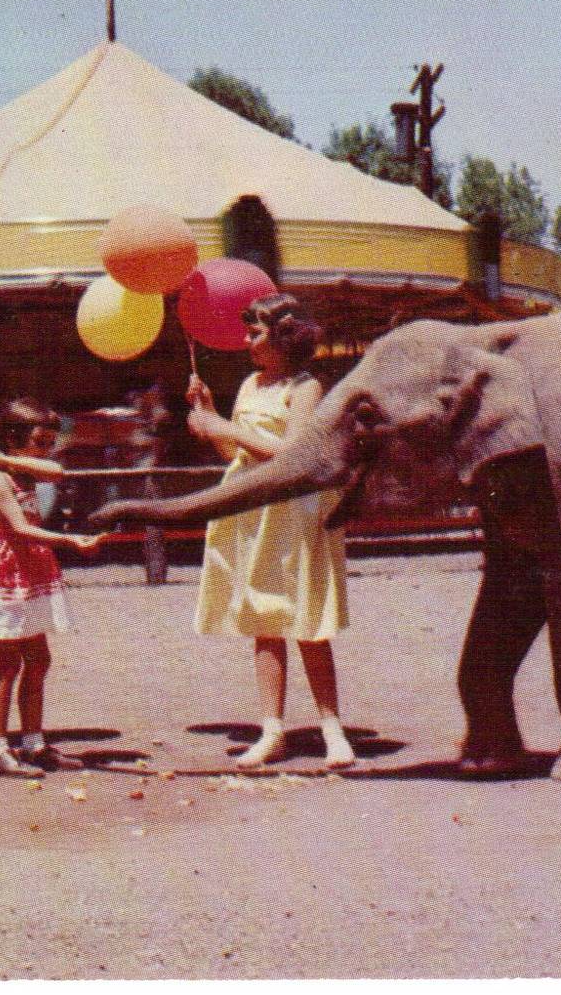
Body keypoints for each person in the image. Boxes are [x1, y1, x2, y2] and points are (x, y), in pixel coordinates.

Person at [185, 293, 355, 770]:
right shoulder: (248, 385)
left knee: (305, 619)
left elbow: (294, 457)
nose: (246, 341)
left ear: (285, 337)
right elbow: (235, 456)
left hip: (292, 512)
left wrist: (224, 426)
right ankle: (272, 730)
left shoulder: (306, 388)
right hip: (249, 509)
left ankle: (332, 729)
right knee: (263, 618)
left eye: (255, 333)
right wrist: (209, 415)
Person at [0, 398, 102, 778]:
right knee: (9, 663)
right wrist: (72, 542)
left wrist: (11, 459)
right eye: (39, 441)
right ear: (13, 437)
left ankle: (34, 744)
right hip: (5, 577)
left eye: (50, 442)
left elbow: (56, 471)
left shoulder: (21, 471)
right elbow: (19, 528)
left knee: (39, 659)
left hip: (30, 572)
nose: (46, 450)